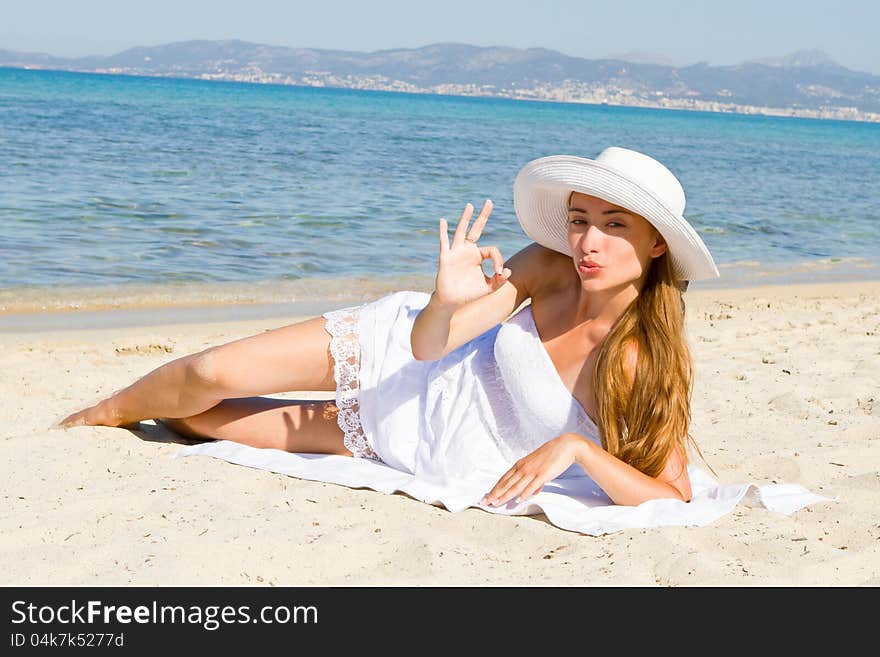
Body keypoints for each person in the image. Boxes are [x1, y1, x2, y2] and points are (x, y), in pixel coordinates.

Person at [59, 146, 720, 511]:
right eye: (581, 218)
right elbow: (432, 343)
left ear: (657, 245)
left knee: (207, 420)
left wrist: (578, 452)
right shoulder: (549, 268)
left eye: (615, 224)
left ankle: (128, 415)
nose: (588, 241)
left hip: (425, 433)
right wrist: (443, 299)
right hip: (405, 347)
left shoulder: (631, 358)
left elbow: (675, 493)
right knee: (210, 375)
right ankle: (99, 414)